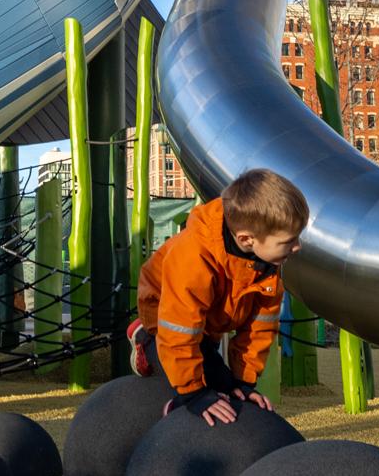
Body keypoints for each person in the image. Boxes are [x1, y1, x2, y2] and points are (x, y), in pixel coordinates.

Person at [127, 168, 307, 426]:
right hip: (165, 315)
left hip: (210, 322)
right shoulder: (194, 258)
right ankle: (145, 342)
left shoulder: (267, 262)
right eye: (289, 240)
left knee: (226, 385)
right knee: (199, 384)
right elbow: (179, 331)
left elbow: (260, 327)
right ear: (247, 239)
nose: (297, 246)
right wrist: (192, 393)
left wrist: (244, 382)